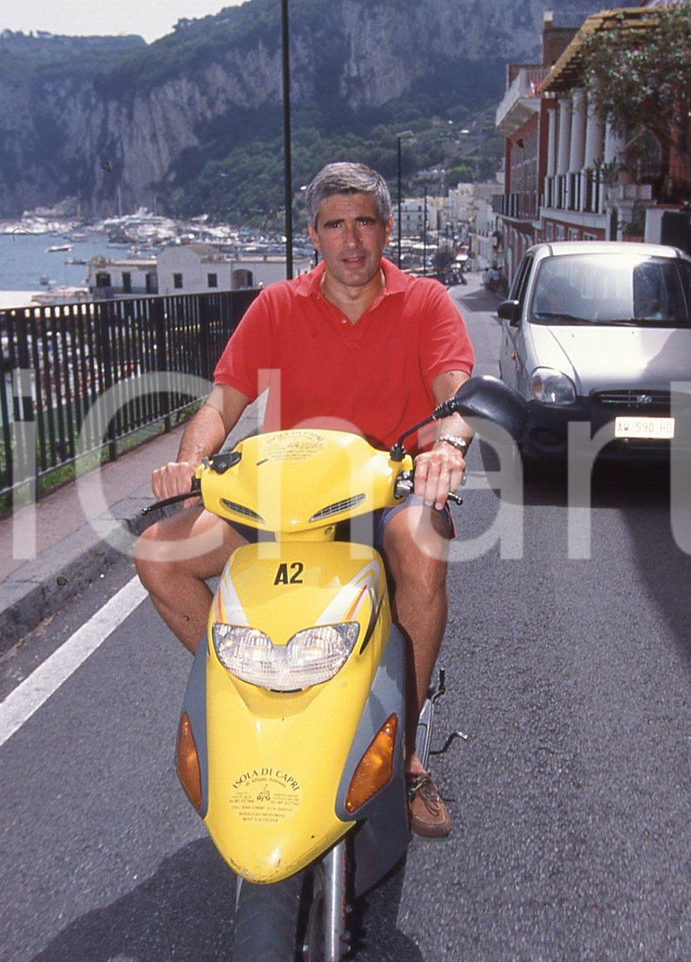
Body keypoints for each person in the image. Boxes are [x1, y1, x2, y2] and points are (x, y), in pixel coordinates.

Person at [134, 162, 475, 838]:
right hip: (281, 505)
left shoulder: (426, 302)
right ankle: (252, 699)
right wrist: (189, 463)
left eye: (364, 222)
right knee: (156, 555)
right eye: (334, 225)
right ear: (313, 235)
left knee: (420, 545)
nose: (351, 240)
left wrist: (448, 447)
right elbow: (222, 403)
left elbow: (456, 397)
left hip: (384, 494)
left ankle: (406, 750)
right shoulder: (276, 307)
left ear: (385, 230)